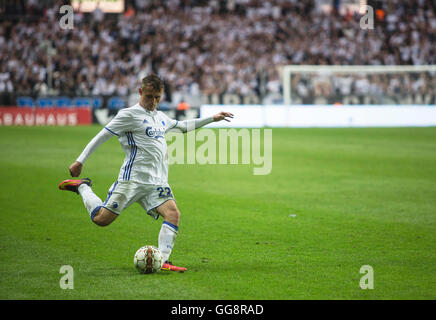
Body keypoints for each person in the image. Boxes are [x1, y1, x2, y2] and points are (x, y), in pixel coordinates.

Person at [58, 74, 233, 272]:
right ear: (140, 92)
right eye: (150, 96)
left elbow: (183, 126)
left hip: (157, 182)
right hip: (131, 180)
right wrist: (80, 160)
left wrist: (213, 118)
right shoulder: (128, 115)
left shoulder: (160, 117)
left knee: (173, 214)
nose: (153, 102)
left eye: (158, 97)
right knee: (101, 220)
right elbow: (102, 136)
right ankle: (83, 187)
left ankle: (163, 261)